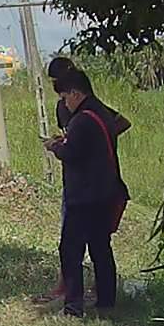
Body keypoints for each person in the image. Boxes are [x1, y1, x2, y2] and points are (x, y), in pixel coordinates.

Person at [40, 58, 132, 301]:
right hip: (106, 189)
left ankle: (73, 304)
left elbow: (71, 153)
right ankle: (106, 300)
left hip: (84, 194)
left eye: (64, 96)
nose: (63, 102)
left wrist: (56, 147)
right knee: (100, 247)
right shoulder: (99, 110)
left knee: (70, 249)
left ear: (74, 92)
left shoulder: (81, 118)